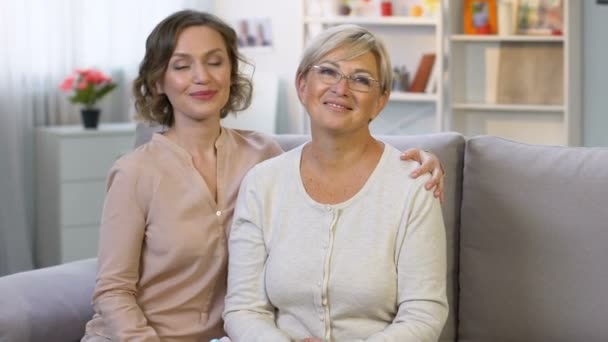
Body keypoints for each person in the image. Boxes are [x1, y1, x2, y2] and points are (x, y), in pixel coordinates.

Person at [81, 10, 446, 341]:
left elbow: (335, 154)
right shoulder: (136, 172)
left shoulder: (262, 156)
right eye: (181, 66)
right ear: (158, 81)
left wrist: (424, 162)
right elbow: (113, 291)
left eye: (215, 62)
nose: (202, 76)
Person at [223, 24, 448, 341]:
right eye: (328, 72)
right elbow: (243, 309)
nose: (341, 88)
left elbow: (424, 313)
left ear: (381, 99)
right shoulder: (262, 183)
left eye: (360, 79)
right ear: (303, 85)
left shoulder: (413, 186)